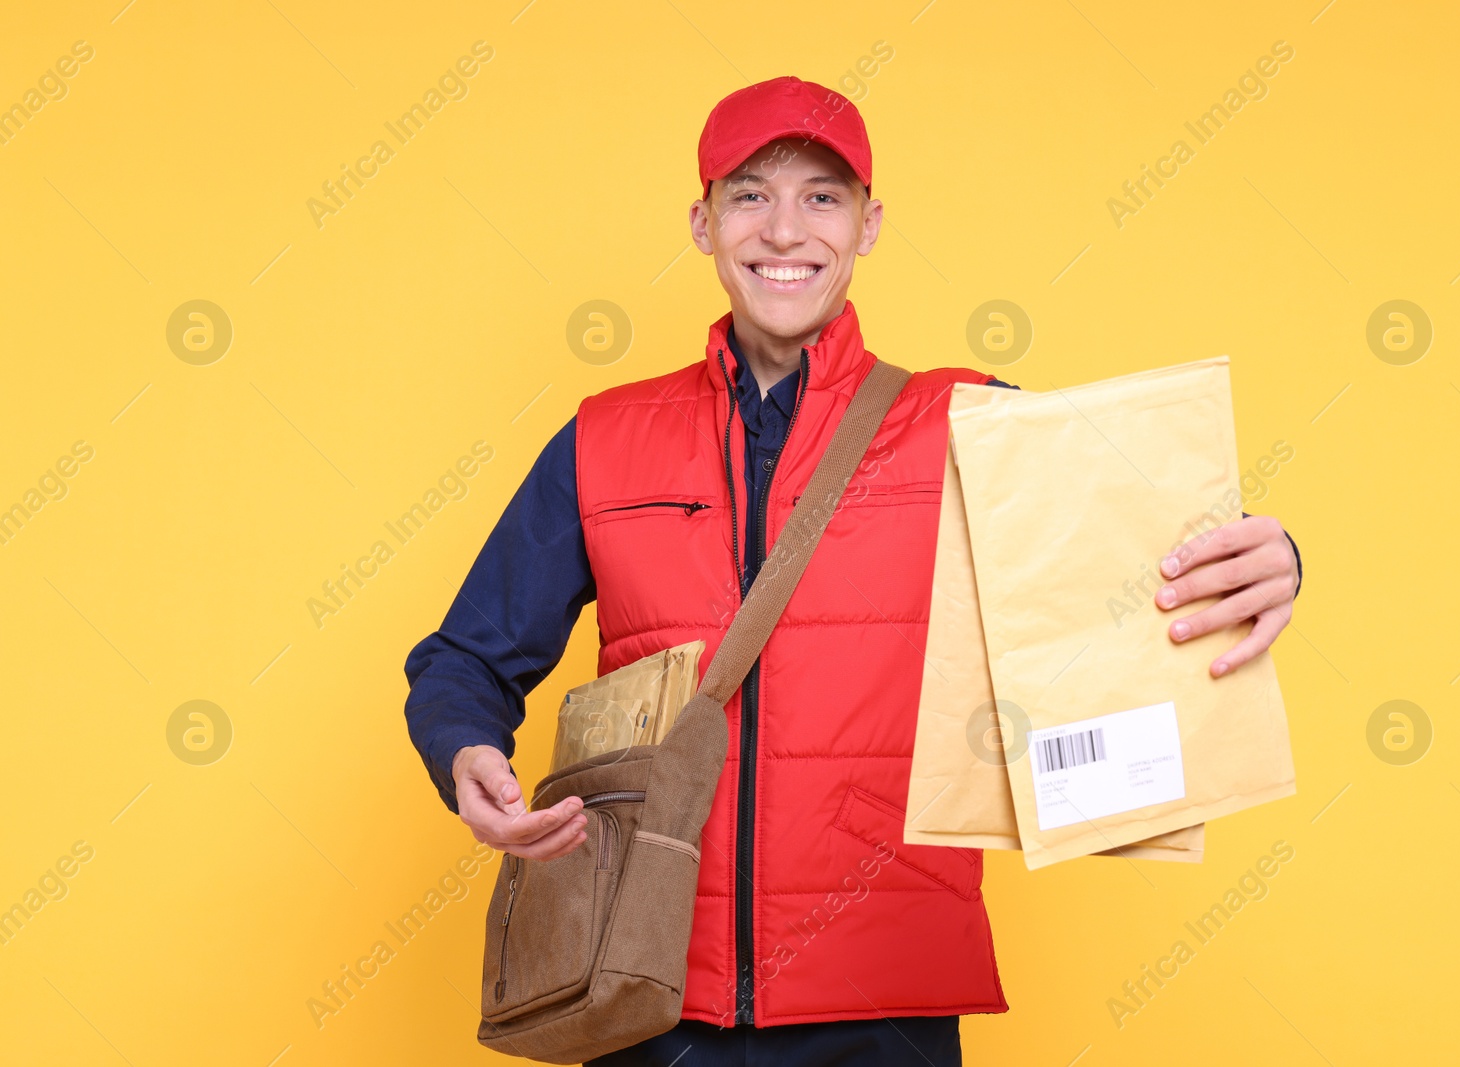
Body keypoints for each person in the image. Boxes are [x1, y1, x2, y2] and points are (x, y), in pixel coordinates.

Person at [404, 76, 1303, 1067]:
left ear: (869, 224)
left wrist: (1275, 558)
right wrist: (464, 751)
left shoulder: (968, 420)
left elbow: (1151, 561)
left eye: (821, 196)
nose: (784, 229)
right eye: (749, 194)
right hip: (647, 991)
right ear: (701, 222)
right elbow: (465, 659)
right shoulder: (604, 439)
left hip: (887, 1007)